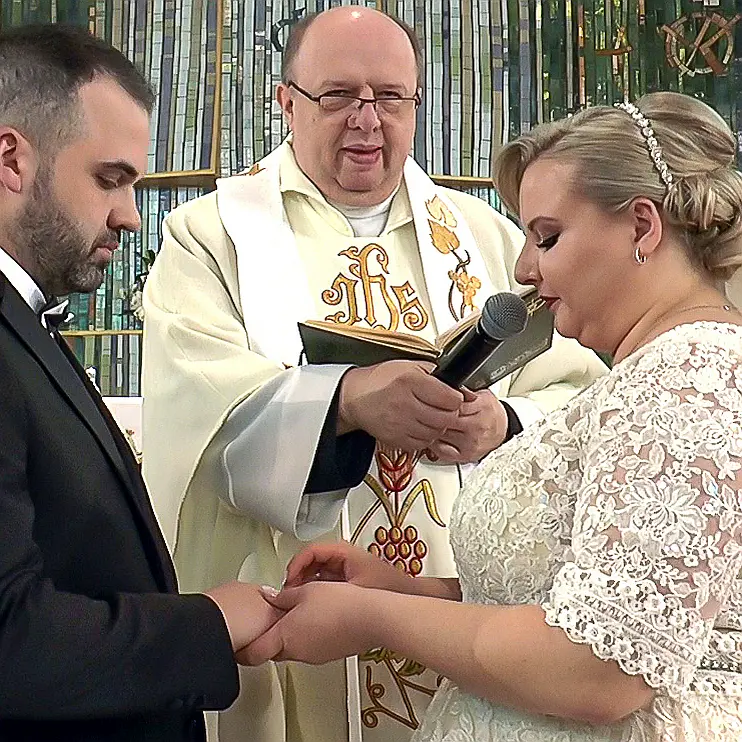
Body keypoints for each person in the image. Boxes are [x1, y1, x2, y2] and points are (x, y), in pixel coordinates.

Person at [141, 6, 606, 742]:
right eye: (338, 96)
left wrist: (504, 423)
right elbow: (196, 417)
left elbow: (588, 396)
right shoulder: (211, 236)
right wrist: (346, 401)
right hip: (294, 605)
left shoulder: (484, 234)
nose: (367, 120)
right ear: (286, 100)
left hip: (461, 614)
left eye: (391, 97)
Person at [244, 90, 742, 741]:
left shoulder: (691, 374)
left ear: (642, 227)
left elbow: (600, 671)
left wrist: (371, 618)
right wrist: (402, 592)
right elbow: (586, 608)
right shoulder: (660, 372)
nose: (524, 269)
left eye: (548, 237)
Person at [0, 24, 284, 741]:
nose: (130, 215)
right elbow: (10, 638)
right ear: (11, 159)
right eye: (110, 179)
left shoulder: (23, 321)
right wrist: (207, 624)